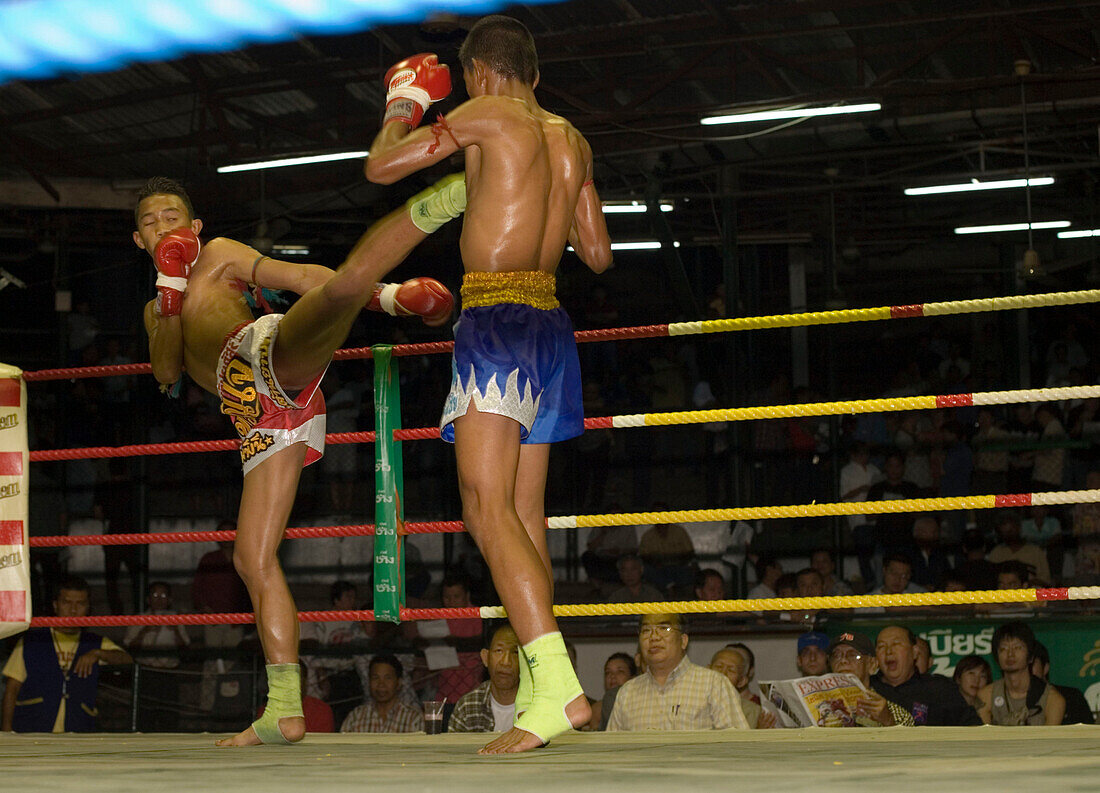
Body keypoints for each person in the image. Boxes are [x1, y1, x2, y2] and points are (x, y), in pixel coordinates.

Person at [137, 174, 463, 746]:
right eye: (151, 222)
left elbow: (299, 277)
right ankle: (284, 707)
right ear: (139, 241)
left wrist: (379, 295)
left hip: (267, 354)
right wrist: (168, 292)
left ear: (195, 227)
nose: (164, 227)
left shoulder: (219, 255)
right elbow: (165, 371)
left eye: (173, 217)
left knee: (330, 297)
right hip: (256, 415)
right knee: (250, 558)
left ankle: (393, 288)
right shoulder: (153, 309)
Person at [366, 15, 613, 753]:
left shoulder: (483, 111)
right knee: (524, 515)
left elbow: (381, 168)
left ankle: (560, 685)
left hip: (496, 320)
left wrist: (404, 105)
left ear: (479, 73)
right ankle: (543, 690)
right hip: (550, 325)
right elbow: (596, 253)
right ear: (533, 73)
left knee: (483, 506)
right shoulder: (571, 137)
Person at [2, 576, 133, 732]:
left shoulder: (95, 642)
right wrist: (6, 729)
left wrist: (99, 654)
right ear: (55, 605)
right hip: (32, 727)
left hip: (78, 729)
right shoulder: (32, 640)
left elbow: (128, 661)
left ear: (88, 607)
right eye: (66, 603)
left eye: (80, 604)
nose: (73, 610)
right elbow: (12, 688)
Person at [606, 613, 749, 731]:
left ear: (683, 641)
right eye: (646, 630)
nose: (654, 637)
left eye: (664, 628)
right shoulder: (627, 692)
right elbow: (611, 751)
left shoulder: (714, 684)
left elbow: (739, 745)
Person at [870, 625, 981, 726]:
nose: (889, 651)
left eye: (896, 644)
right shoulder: (868, 688)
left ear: (914, 652)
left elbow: (973, 728)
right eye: (881, 646)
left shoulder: (939, 688)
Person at [124, 581, 190, 731]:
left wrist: (175, 630)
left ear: (170, 599)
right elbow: (129, 646)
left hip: (169, 672)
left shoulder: (176, 618)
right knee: (145, 717)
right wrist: (145, 630)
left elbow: (185, 647)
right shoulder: (139, 618)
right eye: (155, 595)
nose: (159, 599)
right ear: (148, 599)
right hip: (147, 672)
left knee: (170, 717)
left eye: (163, 595)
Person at [976, 621, 1065, 725]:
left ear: (1031, 656)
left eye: (1018, 647)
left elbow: (1049, 740)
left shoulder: (1052, 699)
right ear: (996, 657)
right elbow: (983, 739)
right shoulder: (986, 695)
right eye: (1003, 648)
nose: (1010, 654)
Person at [827, 632, 913, 727]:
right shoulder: (822, 708)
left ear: (872, 665)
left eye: (853, 655)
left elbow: (908, 741)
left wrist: (888, 722)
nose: (843, 661)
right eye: (836, 656)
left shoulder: (895, 714)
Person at [449, 624, 521, 733]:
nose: (506, 662)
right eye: (499, 651)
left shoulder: (539, 704)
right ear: (485, 657)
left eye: (515, 652)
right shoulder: (468, 706)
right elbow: (452, 749)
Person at [340, 655, 424, 733]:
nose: (381, 684)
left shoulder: (413, 718)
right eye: (375, 678)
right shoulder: (355, 717)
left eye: (388, 678)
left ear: (399, 683)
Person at [1031, 641, 1094, 725]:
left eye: (1031, 664)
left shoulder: (1073, 697)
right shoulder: (1011, 699)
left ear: (1045, 668)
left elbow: (1088, 733)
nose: (1026, 670)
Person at [708, 648, 775, 728]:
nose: (723, 673)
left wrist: (759, 732)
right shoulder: (694, 699)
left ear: (742, 681)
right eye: (719, 666)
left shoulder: (753, 712)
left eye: (731, 670)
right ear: (707, 669)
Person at [590, 652, 637, 731]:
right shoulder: (596, 709)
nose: (612, 676)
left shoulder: (640, 703)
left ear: (633, 678)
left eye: (620, 671)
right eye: (608, 672)